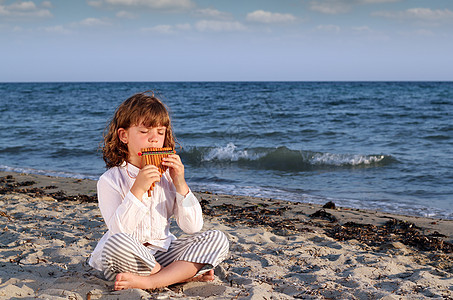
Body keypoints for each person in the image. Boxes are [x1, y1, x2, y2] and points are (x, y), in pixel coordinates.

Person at [88, 91, 229, 290]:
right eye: (145, 132)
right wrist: (137, 189)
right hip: (127, 255)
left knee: (217, 238)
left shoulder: (168, 177)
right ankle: (176, 275)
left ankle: (152, 280)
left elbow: (193, 227)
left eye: (160, 133)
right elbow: (119, 232)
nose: (154, 139)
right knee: (115, 242)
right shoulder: (110, 180)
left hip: (163, 251)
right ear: (124, 135)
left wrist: (180, 184)